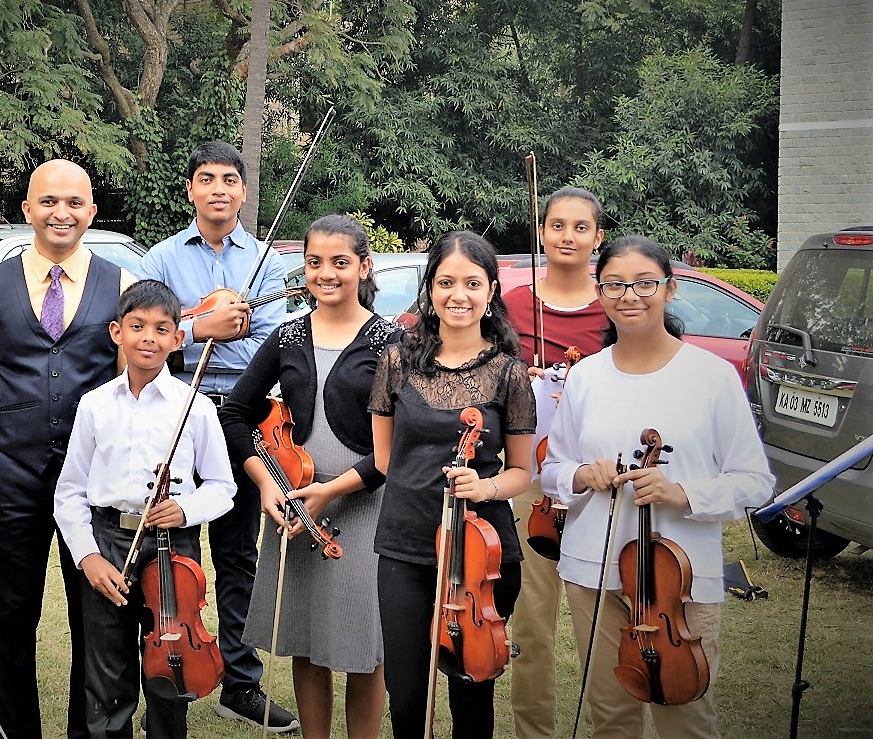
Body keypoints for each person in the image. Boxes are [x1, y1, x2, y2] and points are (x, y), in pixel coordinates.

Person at [540, 235, 774, 739]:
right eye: (615, 284)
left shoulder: (711, 376)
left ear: (670, 289)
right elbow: (553, 469)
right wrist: (582, 475)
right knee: (610, 718)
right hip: (593, 567)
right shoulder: (585, 377)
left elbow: (755, 482)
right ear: (600, 293)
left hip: (678, 579)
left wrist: (682, 494)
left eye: (645, 283)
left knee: (685, 720)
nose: (630, 295)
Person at [0, 159, 132, 739]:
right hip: (13, 475)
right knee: (13, 612)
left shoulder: (120, 284)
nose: (62, 213)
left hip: (94, 480)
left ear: (92, 212)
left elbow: (129, 379)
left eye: (74, 202)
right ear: (27, 209)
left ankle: (88, 731)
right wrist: (8, 440)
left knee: (95, 615)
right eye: (49, 201)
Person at [137, 140, 297, 732]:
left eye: (230, 179)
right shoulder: (160, 258)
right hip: (179, 412)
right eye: (207, 178)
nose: (219, 189)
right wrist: (200, 326)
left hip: (243, 414)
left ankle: (241, 682)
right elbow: (146, 334)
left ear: (244, 191)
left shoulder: (267, 261)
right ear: (190, 189)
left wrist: (209, 330)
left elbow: (272, 341)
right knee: (174, 547)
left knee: (238, 553)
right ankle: (172, 672)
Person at [219, 215, 399, 738]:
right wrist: (265, 481)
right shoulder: (289, 335)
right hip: (295, 501)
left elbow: (396, 445)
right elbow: (235, 413)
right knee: (307, 639)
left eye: (340, 262)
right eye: (315, 262)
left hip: (365, 503)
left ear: (364, 266)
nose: (326, 273)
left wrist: (332, 491)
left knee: (366, 648)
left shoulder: (392, 341)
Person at [369, 231, 535, 739]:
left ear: (491, 292)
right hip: (406, 544)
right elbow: (385, 459)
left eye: (472, 283)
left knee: (471, 690)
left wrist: (483, 488)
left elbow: (521, 471)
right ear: (430, 288)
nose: (458, 295)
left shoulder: (510, 374)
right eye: (446, 282)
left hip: (482, 554)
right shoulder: (396, 361)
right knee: (406, 692)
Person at [54, 279, 236, 739]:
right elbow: (70, 490)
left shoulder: (195, 407)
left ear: (178, 338)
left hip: (174, 548)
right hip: (109, 542)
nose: (148, 338)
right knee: (106, 675)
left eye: (161, 329)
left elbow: (223, 486)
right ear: (117, 332)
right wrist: (88, 557)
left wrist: (186, 509)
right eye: (137, 326)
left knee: (170, 669)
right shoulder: (95, 405)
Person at [501, 186, 609, 739]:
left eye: (581, 227)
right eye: (558, 226)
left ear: (599, 237)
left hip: (600, 481)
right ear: (541, 232)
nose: (568, 237)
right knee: (531, 623)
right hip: (530, 478)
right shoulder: (515, 302)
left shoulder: (614, 303)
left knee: (604, 624)